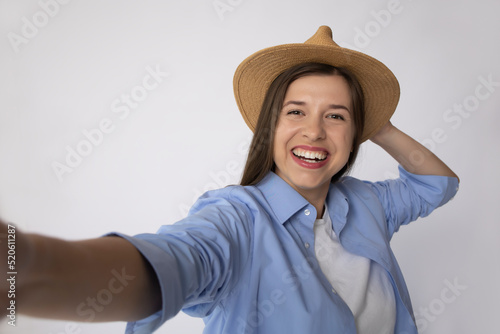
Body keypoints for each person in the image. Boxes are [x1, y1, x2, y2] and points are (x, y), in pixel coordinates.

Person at [0, 26, 459, 333]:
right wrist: (28, 265)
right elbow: (176, 260)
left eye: (335, 116)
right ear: (269, 128)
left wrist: (378, 124)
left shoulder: (367, 204)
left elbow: (437, 184)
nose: (315, 131)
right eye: (295, 111)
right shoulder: (237, 217)